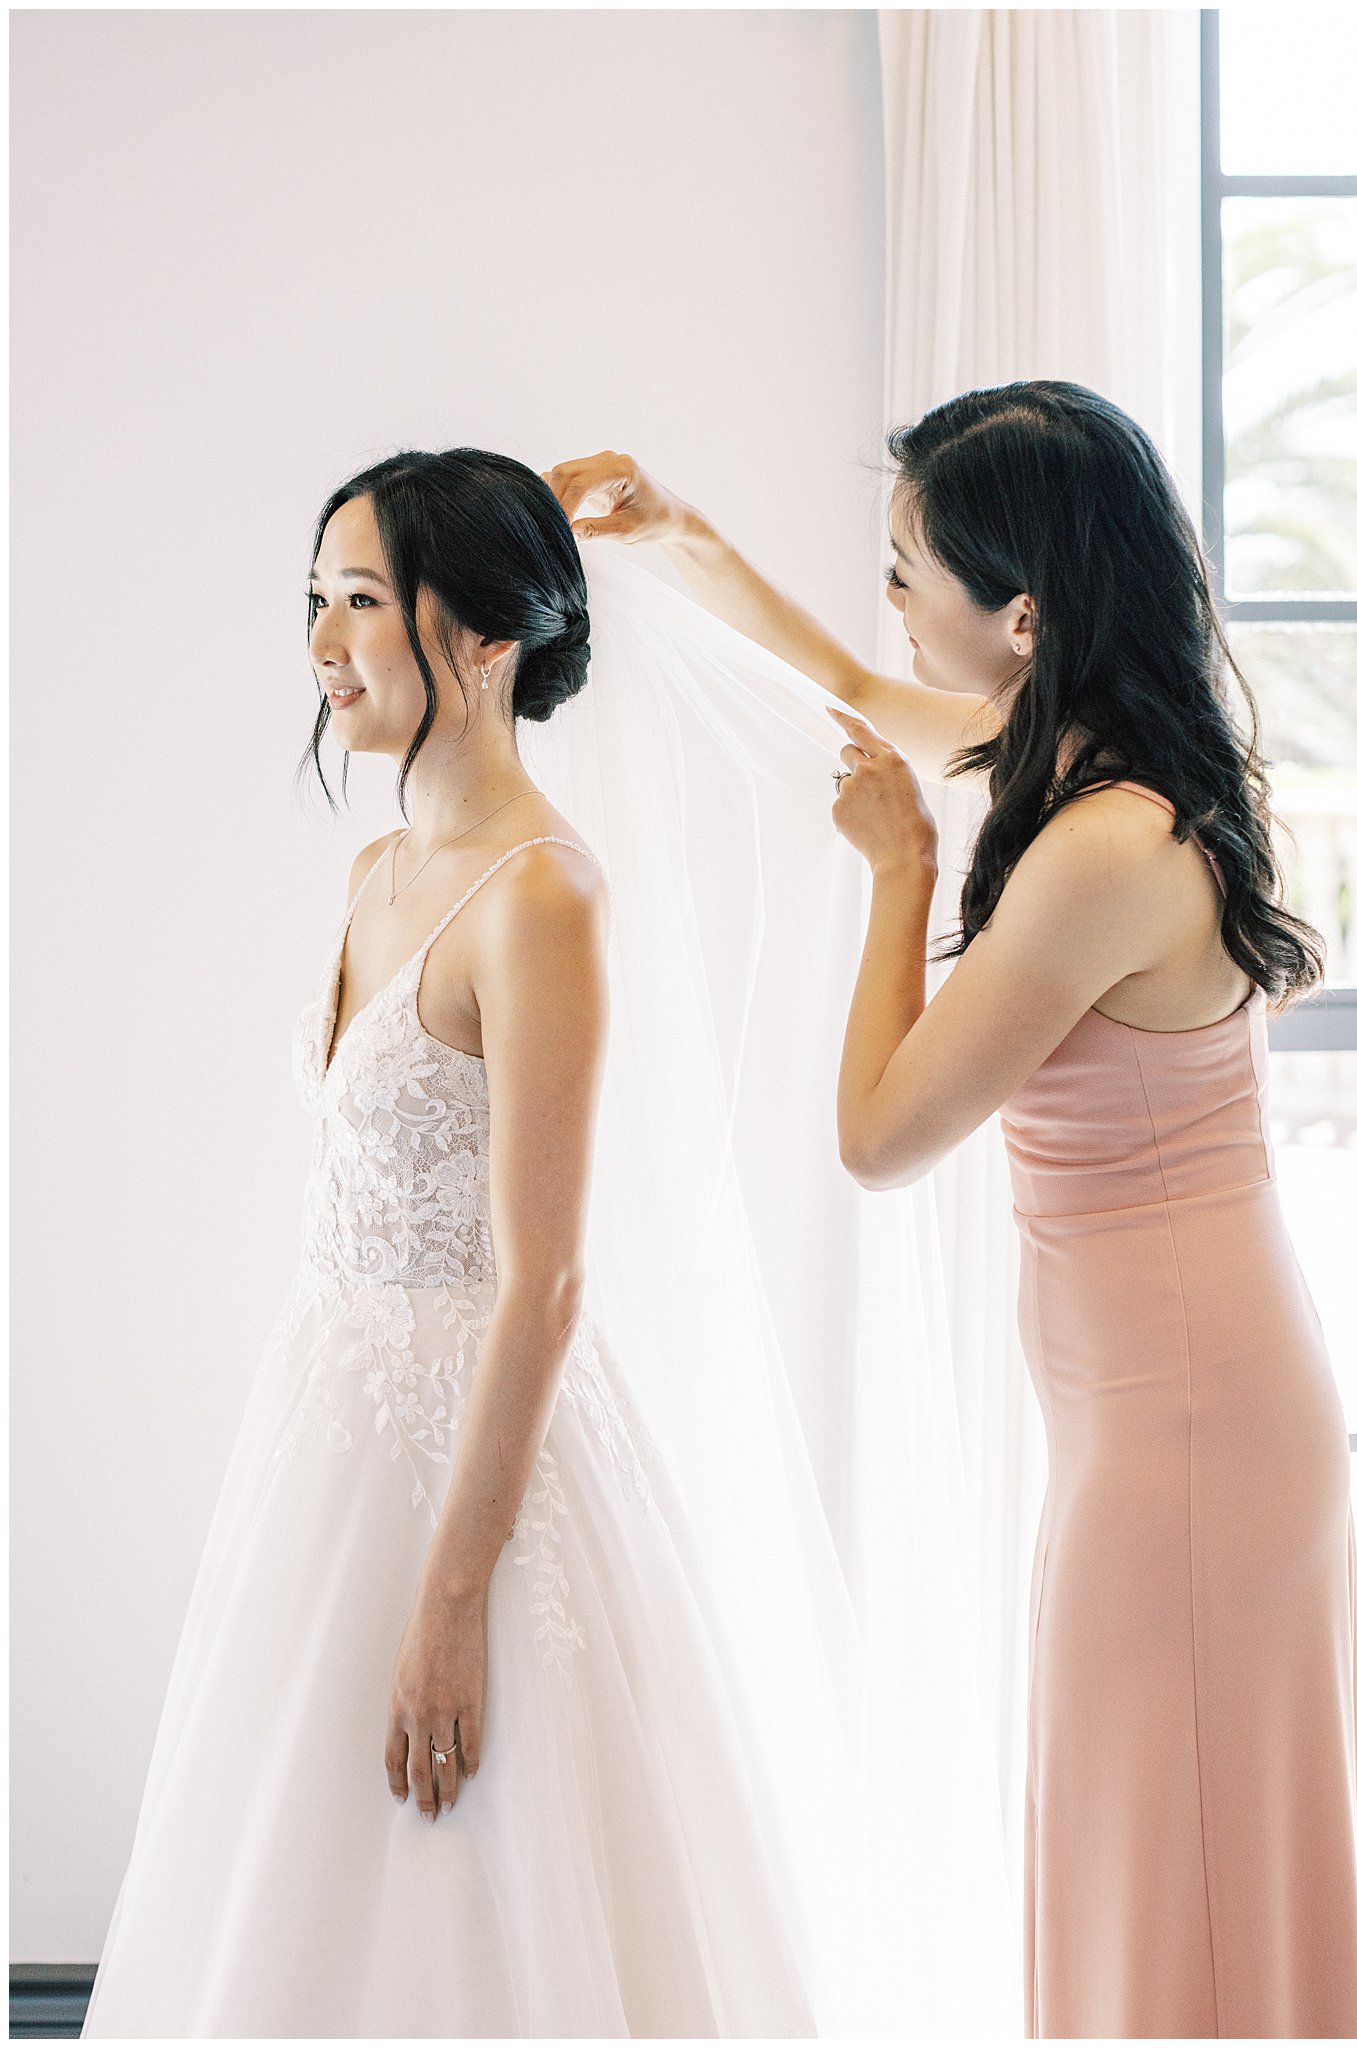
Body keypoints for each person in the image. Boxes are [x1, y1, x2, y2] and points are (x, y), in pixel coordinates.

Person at [546, 381, 1357, 2040]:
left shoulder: (1102, 848)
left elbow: (876, 1134)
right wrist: (681, 533)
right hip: (1172, 1410)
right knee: (1163, 1841)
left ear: (1024, 611)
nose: (892, 601)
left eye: (911, 567)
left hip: (1185, 1431)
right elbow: (848, 689)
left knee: (1168, 1842)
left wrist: (899, 876)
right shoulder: (1081, 755)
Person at [80, 448, 826, 2038]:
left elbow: (546, 1281)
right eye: (314, 600)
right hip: (324, 1430)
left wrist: (448, 1598)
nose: (320, 643)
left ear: (483, 640)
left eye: (361, 600)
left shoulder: (540, 897)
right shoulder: (373, 873)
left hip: (478, 1462)